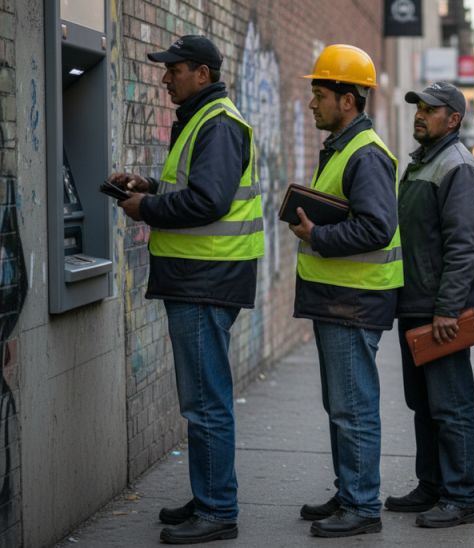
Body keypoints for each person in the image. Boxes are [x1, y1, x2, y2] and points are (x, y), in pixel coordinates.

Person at [109, 35, 263, 544]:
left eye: (174, 69)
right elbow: (197, 191)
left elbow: (209, 202)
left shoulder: (217, 123)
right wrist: (150, 187)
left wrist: (148, 209)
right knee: (201, 399)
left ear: (202, 73)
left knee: (205, 403)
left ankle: (217, 510)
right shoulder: (204, 119)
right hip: (201, 278)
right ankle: (209, 495)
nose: (165, 78)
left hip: (205, 281)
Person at [288, 45, 402, 539]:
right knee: (341, 406)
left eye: (320, 95)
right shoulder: (342, 147)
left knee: (353, 408)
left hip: (353, 301)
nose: (312, 103)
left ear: (347, 100)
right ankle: (349, 492)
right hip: (339, 299)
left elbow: (377, 227)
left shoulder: (365, 154)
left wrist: (318, 235)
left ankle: (361, 506)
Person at [387, 82, 474, 528]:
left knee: (451, 406)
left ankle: (460, 496)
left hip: (439, 311)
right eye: (419, 108)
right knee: (423, 403)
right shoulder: (423, 162)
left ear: (454, 119)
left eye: (431, 109)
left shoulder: (458, 166)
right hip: (415, 304)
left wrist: (448, 308)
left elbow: (465, 246)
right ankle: (431, 486)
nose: (420, 114)